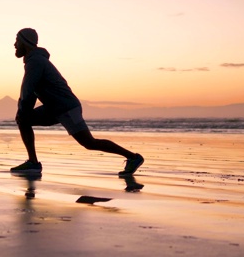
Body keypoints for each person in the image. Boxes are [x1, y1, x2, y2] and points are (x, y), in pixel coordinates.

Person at [10, 28, 144, 176]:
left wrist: (23, 109)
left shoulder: (36, 61)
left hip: (66, 107)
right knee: (23, 120)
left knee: (89, 143)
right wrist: (24, 111)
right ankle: (33, 163)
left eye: (17, 41)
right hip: (55, 108)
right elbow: (31, 91)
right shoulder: (34, 61)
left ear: (25, 42)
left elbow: (28, 90)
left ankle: (133, 157)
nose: (14, 45)